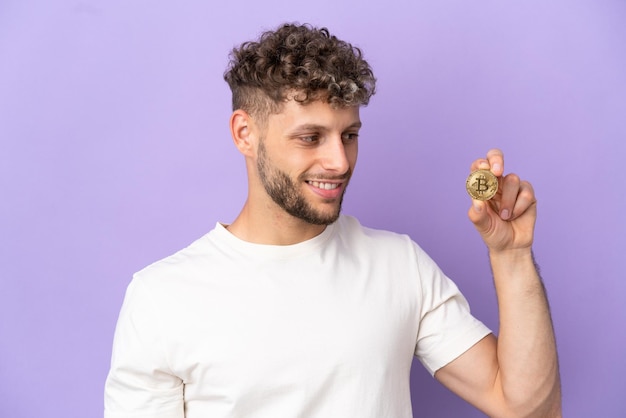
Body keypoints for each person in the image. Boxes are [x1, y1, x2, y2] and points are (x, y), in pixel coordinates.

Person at [104, 23, 561, 417]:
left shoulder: (399, 264)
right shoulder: (162, 298)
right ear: (245, 133)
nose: (340, 161)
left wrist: (512, 254)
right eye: (310, 137)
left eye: (349, 135)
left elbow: (527, 409)